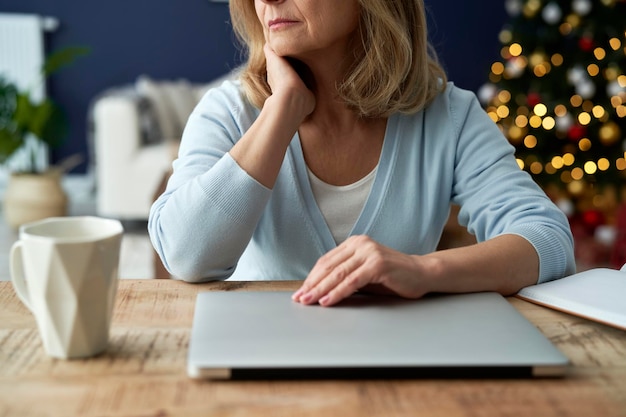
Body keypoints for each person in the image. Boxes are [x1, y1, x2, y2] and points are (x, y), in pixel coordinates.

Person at [148, 0, 576, 307]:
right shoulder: (230, 111)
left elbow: (548, 240)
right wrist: (282, 110)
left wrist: (421, 272)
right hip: (261, 370)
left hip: (398, 367)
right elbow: (187, 256)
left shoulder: (448, 115)